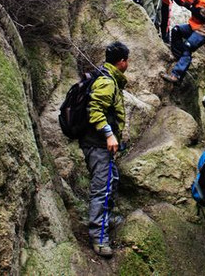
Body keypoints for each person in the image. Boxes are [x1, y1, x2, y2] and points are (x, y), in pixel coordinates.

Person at [79, 41, 130, 258]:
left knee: (112, 179)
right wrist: (109, 134)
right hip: (97, 144)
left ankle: (105, 221)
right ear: (122, 62)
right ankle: (99, 237)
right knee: (103, 188)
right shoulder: (108, 83)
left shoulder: (105, 75)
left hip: (96, 143)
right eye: (126, 60)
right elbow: (95, 109)